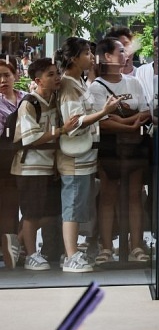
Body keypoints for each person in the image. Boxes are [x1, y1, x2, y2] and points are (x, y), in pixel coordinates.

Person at [56, 38, 120, 273]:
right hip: (74, 154)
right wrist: (105, 111)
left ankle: (72, 252)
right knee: (72, 204)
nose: (91, 57)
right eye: (86, 53)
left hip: (84, 154)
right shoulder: (68, 85)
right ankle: (71, 255)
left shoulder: (78, 82)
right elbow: (74, 123)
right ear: (74, 58)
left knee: (79, 203)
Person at [90, 37, 152, 264]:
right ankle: (106, 247)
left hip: (134, 146)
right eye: (120, 51)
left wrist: (128, 122)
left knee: (135, 196)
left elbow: (146, 113)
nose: (125, 54)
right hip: (109, 147)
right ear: (107, 57)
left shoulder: (133, 82)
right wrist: (132, 124)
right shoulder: (96, 87)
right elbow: (101, 122)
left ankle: (135, 245)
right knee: (108, 197)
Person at [11, 58, 77, 270]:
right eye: (50, 74)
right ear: (38, 80)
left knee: (50, 213)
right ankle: (30, 254)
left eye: (57, 72)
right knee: (32, 213)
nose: (57, 77)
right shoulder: (30, 103)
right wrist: (61, 131)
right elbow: (29, 138)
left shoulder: (55, 99)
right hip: (30, 167)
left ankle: (21, 243)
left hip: (49, 167)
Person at [0, 58, 25, 267]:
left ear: (15, 75)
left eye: (6, 75)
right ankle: (9, 246)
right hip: (4, 163)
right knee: (7, 205)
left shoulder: (27, 99)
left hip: (29, 160)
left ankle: (18, 245)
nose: (2, 80)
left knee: (23, 205)